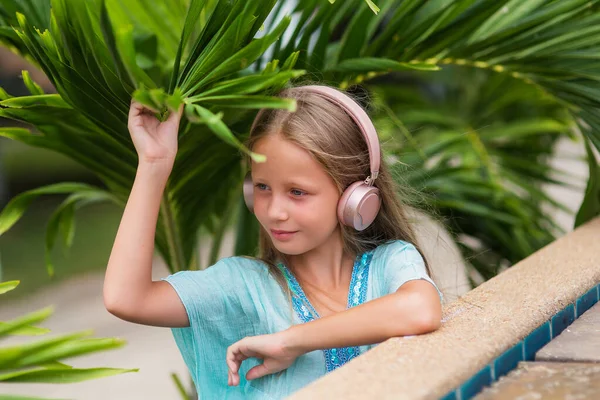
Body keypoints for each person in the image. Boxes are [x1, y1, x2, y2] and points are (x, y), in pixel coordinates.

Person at [103, 84, 443, 399]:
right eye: (262, 187)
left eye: (297, 192)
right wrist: (153, 164)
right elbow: (126, 298)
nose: (275, 211)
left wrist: (292, 341)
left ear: (356, 197)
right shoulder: (242, 287)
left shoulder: (390, 264)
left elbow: (421, 309)